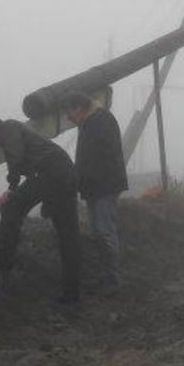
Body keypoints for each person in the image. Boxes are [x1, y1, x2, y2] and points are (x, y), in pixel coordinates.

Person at [0, 116, 81, 304]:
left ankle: (2, 269)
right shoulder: (17, 130)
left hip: (51, 172)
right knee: (68, 232)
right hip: (62, 172)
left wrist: (11, 189)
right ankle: (72, 292)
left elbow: (15, 156)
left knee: (11, 208)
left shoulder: (9, 128)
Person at [61, 92, 128, 289]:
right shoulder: (92, 121)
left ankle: (112, 278)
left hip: (104, 185)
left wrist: (81, 178)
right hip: (95, 186)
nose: (68, 117)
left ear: (79, 108)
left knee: (104, 231)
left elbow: (100, 157)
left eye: (69, 112)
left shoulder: (100, 121)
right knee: (98, 231)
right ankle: (105, 275)